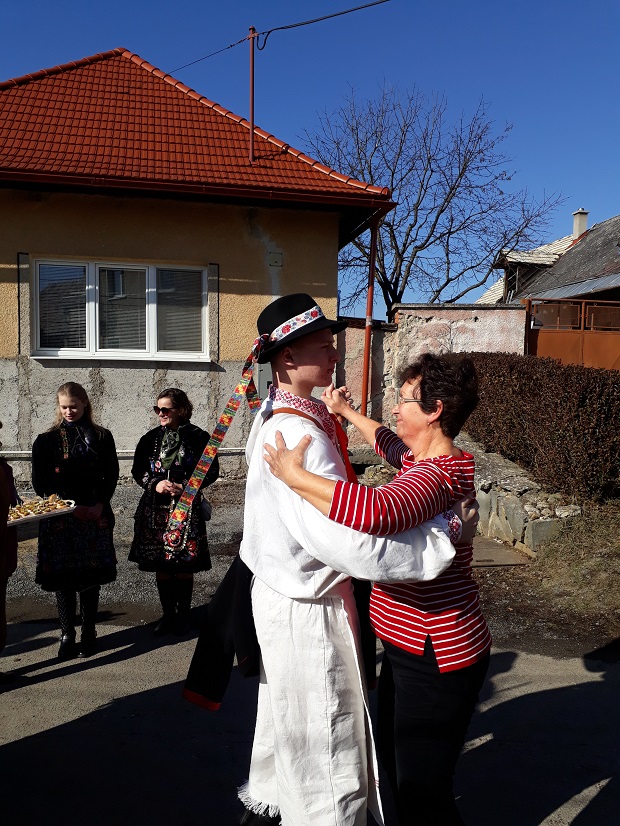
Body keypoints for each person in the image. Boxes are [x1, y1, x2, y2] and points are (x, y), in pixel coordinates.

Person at [238, 293, 478, 826]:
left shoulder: (286, 418)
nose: (335, 355)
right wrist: (445, 536)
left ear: (435, 412)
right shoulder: (298, 431)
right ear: (287, 357)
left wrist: (307, 463)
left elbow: (374, 509)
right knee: (325, 744)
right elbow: (352, 541)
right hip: (309, 607)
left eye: (404, 399)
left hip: (333, 608)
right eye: (325, 347)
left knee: (305, 734)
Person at [32, 383, 119, 659]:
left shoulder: (102, 437)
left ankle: (89, 632)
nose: (69, 411)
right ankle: (67, 634)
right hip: (61, 517)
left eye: (73, 406)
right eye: (64, 407)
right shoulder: (46, 441)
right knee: (64, 577)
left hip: (95, 514)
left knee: (90, 576)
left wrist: (99, 504)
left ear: (85, 404)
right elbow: (41, 484)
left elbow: (111, 475)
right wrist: (70, 509)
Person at [129, 388, 219, 636]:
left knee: (184, 563)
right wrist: (155, 483)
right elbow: (138, 470)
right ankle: (168, 615)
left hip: (186, 507)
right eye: (157, 409)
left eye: (165, 409)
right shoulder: (149, 439)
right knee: (162, 562)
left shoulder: (199, 437)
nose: (160, 414)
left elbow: (211, 470)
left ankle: (184, 615)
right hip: (155, 508)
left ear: (181, 410)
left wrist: (187, 486)